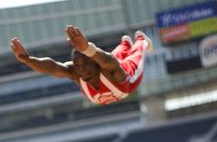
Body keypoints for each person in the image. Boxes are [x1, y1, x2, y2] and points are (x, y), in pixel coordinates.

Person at [10, 25, 152, 106]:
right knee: (116, 54)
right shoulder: (75, 73)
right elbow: (52, 67)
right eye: (77, 64)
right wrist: (27, 60)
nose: (81, 68)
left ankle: (140, 39)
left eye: (86, 62)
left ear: (96, 63)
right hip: (108, 64)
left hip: (128, 80)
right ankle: (125, 43)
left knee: (136, 52)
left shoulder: (108, 67)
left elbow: (105, 59)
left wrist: (87, 49)